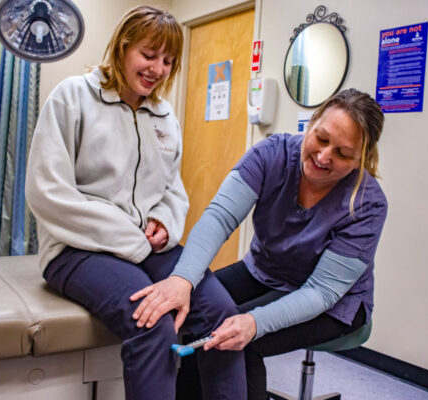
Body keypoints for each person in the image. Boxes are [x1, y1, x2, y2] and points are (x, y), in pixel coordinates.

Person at [25, 6, 246, 400]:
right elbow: (48, 191)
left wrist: (164, 222)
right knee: (153, 323)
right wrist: (129, 240)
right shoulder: (73, 97)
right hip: (76, 248)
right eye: (148, 54)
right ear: (123, 47)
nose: (157, 68)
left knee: (223, 314)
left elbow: (172, 189)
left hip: (147, 246)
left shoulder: (163, 117)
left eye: (167, 60)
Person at [131, 88, 388, 399]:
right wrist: (182, 279)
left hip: (335, 304)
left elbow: (322, 291)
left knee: (238, 342)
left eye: (343, 154)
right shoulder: (272, 155)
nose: (323, 157)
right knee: (203, 313)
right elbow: (220, 217)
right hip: (266, 271)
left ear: (362, 158)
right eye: (321, 139)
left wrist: (254, 323)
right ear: (312, 123)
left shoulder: (366, 204)